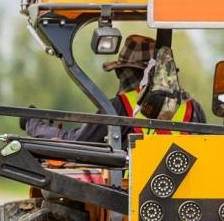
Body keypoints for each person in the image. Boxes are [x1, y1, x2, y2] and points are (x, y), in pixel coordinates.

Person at [21, 34, 206, 143]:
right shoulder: (193, 109)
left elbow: (76, 142)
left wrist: (34, 124)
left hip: (127, 198)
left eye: (121, 72)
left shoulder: (119, 107)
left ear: (131, 73)